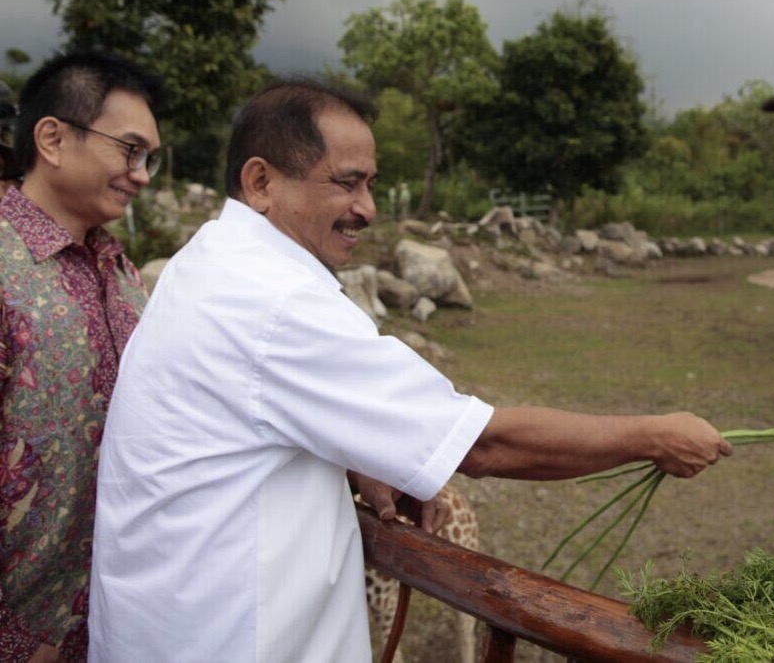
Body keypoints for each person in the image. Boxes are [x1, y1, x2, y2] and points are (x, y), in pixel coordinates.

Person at [87, 78, 732, 662]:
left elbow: (240, 409)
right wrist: (653, 436)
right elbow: (483, 446)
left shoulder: (209, 259)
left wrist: (351, 450)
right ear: (261, 182)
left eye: (370, 183)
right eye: (345, 182)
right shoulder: (278, 302)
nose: (367, 208)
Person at [0, 52, 165, 663]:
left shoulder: (120, 271)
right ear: (52, 138)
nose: (142, 174)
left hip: (110, 622)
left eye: (150, 157)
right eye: (129, 149)